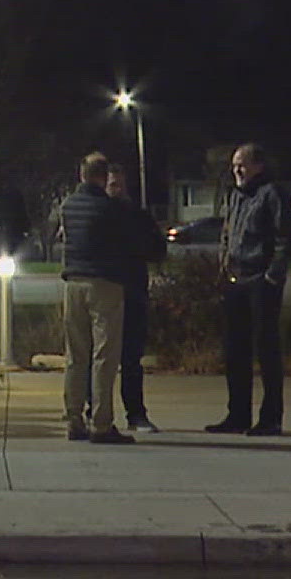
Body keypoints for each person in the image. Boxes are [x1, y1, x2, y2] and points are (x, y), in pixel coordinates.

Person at [207, 143, 291, 436]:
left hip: (260, 280)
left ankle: (271, 418)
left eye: (242, 164)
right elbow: (228, 233)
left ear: (258, 165)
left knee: (266, 350)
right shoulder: (236, 196)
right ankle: (238, 414)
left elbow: (285, 238)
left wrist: (273, 276)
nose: (237, 170)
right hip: (235, 280)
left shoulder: (272, 194)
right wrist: (223, 265)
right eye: (234, 165)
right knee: (235, 350)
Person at [59, 152, 137, 444]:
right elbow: (124, 243)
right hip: (104, 283)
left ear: (82, 174)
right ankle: (102, 423)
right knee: (104, 355)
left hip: (73, 282)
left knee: (75, 355)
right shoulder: (110, 208)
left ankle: (73, 418)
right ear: (103, 177)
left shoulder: (68, 205)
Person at [107, 164, 168, 432]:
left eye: (120, 185)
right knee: (100, 357)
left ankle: (136, 413)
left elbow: (158, 249)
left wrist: (137, 247)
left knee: (131, 358)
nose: (116, 190)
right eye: (111, 185)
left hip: (133, 292)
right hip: (105, 292)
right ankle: (94, 411)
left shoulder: (138, 217)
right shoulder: (99, 215)